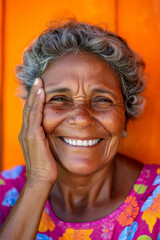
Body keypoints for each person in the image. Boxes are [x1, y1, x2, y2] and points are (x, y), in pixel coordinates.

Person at [0, 19, 160, 240]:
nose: (82, 118)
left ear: (126, 117)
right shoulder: (4, 193)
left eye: (102, 100)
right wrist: (37, 182)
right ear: (31, 113)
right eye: (59, 99)